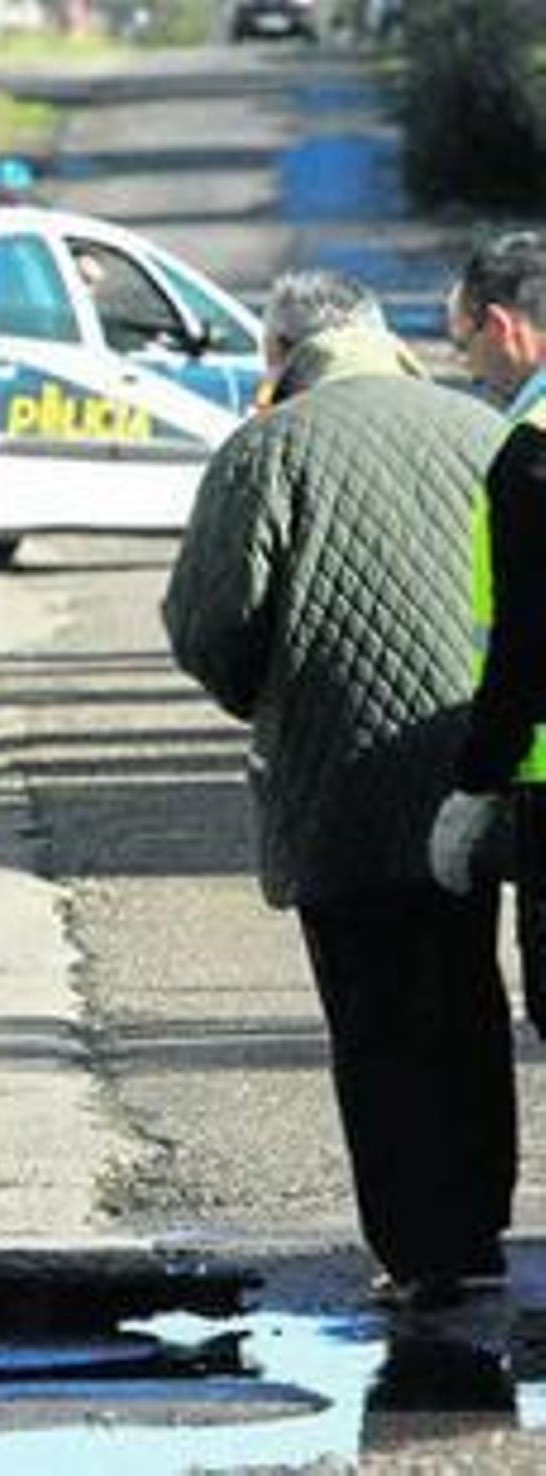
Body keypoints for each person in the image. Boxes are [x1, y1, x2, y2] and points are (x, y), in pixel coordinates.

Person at [162, 268, 515, 1310]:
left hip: (334, 783)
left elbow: (209, 625)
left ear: (282, 351)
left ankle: (416, 1248)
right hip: (469, 768)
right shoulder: (481, 431)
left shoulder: (265, 450)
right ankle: (476, 1228)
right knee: (464, 992)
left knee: (371, 1013)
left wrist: (267, 698)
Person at [430, 232, 546, 1045]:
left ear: (504, 326)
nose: (467, 366)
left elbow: (527, 638)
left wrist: (475, 782)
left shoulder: (530, 450)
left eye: (464, 342)